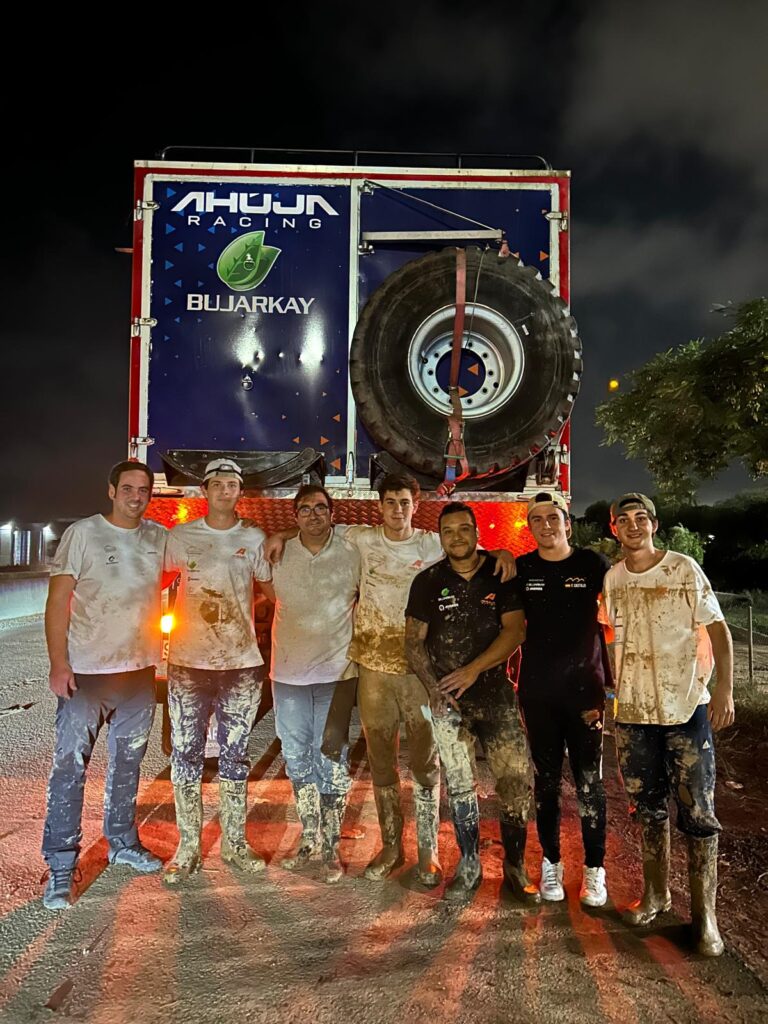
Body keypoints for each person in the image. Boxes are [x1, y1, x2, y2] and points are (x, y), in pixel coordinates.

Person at [266, 473, 513, 887]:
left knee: (425, 766)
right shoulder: (361, 539)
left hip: (420, 674)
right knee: (382, 766)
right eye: (390, 503)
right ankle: (391, 847)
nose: (397, 510)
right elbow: (316, 525)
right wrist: (280, 532)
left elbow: (472, 552)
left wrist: (503, 551)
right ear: (378, 507)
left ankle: (428, 855)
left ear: (415, 507)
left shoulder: (431, 544)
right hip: (373, 672)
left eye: (404, 502)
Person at [600, 492, 735, 956]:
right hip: (634, 714)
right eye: (624, 520)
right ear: (613, 528)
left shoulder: (682, 569)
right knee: (648, 809)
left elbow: (718, 629)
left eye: (642, 518)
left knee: (698, 814)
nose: (633, 525)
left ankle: (706, 918)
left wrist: (723, 690)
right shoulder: (613, 578)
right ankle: (657, 895)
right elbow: (611, 638)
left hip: (684, 709)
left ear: (654, 525)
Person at [42, 461, 165, 910]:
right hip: (88, 674)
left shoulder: (157, 538)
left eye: (144, 489)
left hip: (139, 673)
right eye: (128, 488)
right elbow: (58, 600)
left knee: (128, 763)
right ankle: (59, 864)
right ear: (111, 490)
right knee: (70, 768)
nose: (136, 495)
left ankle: (122, 842)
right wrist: (59, 662)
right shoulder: (83, 534)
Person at [405, 501, 538, 902]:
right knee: (460, 785)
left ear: (477, 533)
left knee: (515, 780)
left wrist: (473, 670)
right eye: (449, 531)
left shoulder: (501, 575)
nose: (457, 537)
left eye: (464, 529)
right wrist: (433, 687)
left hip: (496, 697)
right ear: (440, 537)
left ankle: (516, 866)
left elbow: (514, 633)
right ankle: (469, 865)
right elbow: (413, 643)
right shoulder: (427, 581)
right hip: (449, 703)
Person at [162, 459, 272, 884]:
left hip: (241, 666)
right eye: (218, 484)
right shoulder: (181, 537)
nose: (226, 491)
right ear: (205, 490)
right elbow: (149, 578)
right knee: (186, 756)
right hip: (188, 663)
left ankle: (234, 844)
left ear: (239, 492)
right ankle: (188, 846)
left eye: (233, 485)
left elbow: (274, 589)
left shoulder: (254, 538)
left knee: (234, 757)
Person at [514, 491, 611, 907]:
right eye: (537, 520)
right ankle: (551, 863)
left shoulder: (593, 565)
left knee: (590, 784)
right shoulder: (522, 568)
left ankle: (595, 870)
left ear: (567, 523)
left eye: (553, 518)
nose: (546, 526)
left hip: (586, 693)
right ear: (530, 527)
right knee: (547, 784)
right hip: (538, 692)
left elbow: (622, 609)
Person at [267, 484, 360, 883]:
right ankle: (310, 838)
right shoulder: (278, 552)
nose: (313, 515)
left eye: (320, 508)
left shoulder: (353, 548)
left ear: (332, 513)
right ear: (295, 517)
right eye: (304, 509)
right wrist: (280, 536)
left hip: (337, 676)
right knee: (297, 757)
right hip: (287, 675)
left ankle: (332, 848)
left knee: (332, 759)